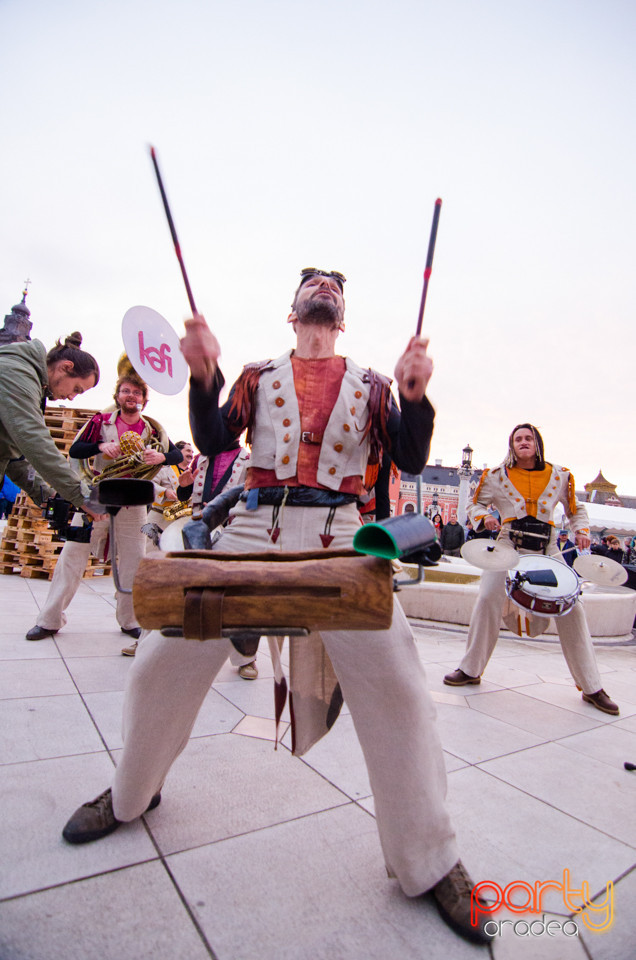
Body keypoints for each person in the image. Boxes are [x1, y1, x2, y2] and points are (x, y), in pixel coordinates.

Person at [61, 268, 492, 946]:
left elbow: (410, 456)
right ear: (292, 312)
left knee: (402, 690)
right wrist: (202, 375)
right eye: (311, 284)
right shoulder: (257, 376)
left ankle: (430, 858)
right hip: (250, 527)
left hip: (342, 534)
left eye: (333, 288)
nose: (323, 289)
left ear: (341, 318)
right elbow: (213, 440)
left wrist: (416, 395)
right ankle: (130, 793)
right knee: (160, 662)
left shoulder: (376, 385)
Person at [443, 423, 619, 716]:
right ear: (511, 446)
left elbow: (576, 510)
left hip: (548, 548)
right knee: (487, 598)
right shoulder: (496, 476)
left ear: (537, 443)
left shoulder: (560, 475)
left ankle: (592, 687)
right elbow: (475, 506)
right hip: (507, 545)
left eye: (528, 438)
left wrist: (582, 530)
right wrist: (485, 517)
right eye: (518, 439)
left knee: (573, 608)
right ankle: (470, 669)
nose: (523, 442)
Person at [26, 362, 182, 655]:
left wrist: (160, 458)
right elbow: (75, 451)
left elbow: (175, 455)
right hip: (95, 496)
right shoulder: (100, 421)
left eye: (136, 392)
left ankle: (129, 620)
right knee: (72, 556)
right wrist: (100, 447)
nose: (131, 396)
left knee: (135, 562)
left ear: (144, 399)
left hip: (133, 502)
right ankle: (49, 619)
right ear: (118, 395)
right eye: (126, 391)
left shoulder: (151, 428)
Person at [0, 332, 101, 515]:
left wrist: (48, 495)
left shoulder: (28, 379)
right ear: (65, 367)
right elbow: (34, 440)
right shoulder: (16, 373)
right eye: (76, 389)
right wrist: (82, 496)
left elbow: (13, 458)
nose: (71, 397)